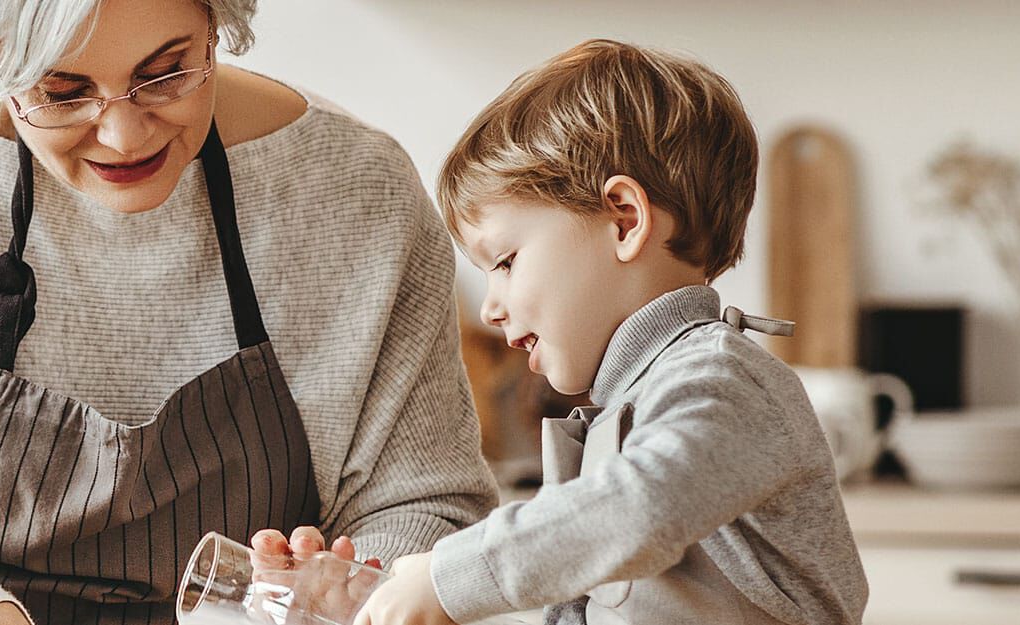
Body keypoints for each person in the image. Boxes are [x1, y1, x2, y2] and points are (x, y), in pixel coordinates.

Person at [0, 0, 496, 622]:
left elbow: (429, 504)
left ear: (217, 26)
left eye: (166, 73)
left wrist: (345, 587)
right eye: (61, 90)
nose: (122, 135)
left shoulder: (357, 188)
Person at [355, 39, 869, 625]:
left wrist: (450, 578)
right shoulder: (632, 403)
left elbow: (641, 507)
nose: (492, 309)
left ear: (624, 219)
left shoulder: (722, 381)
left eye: (504, 262)